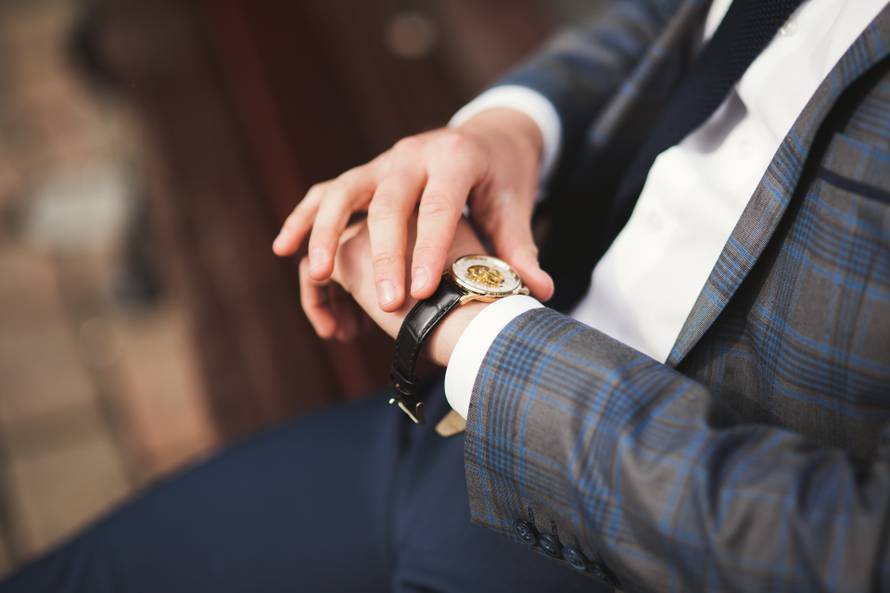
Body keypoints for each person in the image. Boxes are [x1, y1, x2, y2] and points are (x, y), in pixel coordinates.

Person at [4, 0, 890, 591]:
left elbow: (853, 546)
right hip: (465, 416)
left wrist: (473, 335)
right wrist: (504, 126)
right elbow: (684, 19)